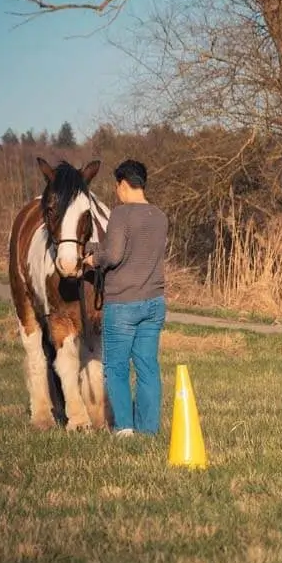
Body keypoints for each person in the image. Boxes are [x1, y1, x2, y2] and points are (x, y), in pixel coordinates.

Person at [84, 159, 169, 437]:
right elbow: (137, 249)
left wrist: (92, 258)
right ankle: (148, 430)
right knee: (147, 367)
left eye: (116, 186)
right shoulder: (159, 216)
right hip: (154, 302)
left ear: (122, 184)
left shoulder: (121, 215)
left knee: (117, 368)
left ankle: (124, 428)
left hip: (122, 304)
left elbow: (114, 255)